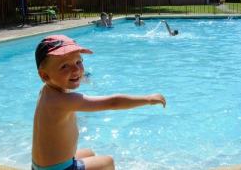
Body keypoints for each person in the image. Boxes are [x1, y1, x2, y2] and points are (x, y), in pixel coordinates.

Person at [32, 35, 166, 170]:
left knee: (89, 153)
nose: (76, 70)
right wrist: (148, 99)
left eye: (79, 62)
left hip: (41, 167)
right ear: (45, 75)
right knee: (107, 162)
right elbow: (113, 102)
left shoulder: (46, 91)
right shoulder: (65, 101)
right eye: (65, 66)